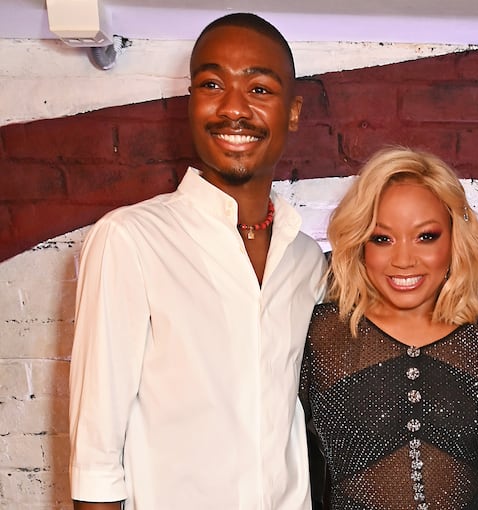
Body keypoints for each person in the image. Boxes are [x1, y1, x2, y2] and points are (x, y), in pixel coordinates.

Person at [68, 13, 326, 510]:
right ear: (190, 102)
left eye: (260, 89)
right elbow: (95, 459)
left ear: (292, 113)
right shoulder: (129, 241)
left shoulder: (305, 258)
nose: (234, 109)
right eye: (212, 84)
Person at [301, 147, 478, 510]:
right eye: (382, 238)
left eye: (426, 236)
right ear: (360, 244)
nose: (404, 260)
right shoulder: (321, 335)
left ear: (454, 238)